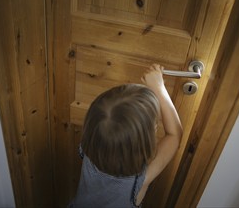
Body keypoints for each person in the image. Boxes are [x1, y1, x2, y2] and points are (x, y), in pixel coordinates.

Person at [69, 64, 183, 208]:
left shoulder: (88, 149)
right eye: (154, 125)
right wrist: (159, 88)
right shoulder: (139, 181)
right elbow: (174, 134)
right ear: (142, 144)